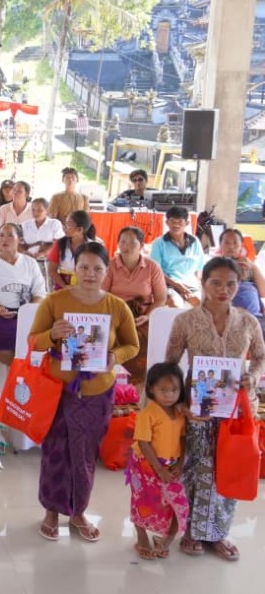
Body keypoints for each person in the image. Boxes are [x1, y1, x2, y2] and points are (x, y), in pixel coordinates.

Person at [30, 242, 139, 544]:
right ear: (73, 268)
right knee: (56, 452)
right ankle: (51, 511)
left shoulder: (117, 306)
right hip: (59, 390)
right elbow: (33, 341)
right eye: (84, 267)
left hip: (98, 391)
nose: (91, 274)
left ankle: (79, 511)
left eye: (98, 268)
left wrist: (114, 357)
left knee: (86, 454)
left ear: (107, 271)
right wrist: (52, 335)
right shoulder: (54, 301)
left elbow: (133, 345)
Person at [165, 257, 265, 560]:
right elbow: (170, 364)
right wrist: (179, 403)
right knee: (199, 469)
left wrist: (253, 376)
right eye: (216, 283)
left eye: (231, 284)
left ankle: (218, 533)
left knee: (227, 469)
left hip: (235, 410)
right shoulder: (185, 320)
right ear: (204, 284)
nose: (224, 290)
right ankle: (193, 531)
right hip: (199, 408)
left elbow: (261, 356)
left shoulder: (248, 321)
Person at [128, 362, 189, 561]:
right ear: (151, 389)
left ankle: (166, 539)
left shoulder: (180, 413)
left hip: (171, 465)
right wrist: (158, 469)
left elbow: (182, 438)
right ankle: (141, 536)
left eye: (174, 390)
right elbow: (144, 444)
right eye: (163, 390)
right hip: (146, 465)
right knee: (143, 501)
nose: (170, 395)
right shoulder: (147, 414)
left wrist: (179, 465)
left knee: (178, 504)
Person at [102, 226, 167, 385]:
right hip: (116, 315)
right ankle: (111, 384)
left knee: (142, 341)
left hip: (142, 316)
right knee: (107, 339)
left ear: (141, 246)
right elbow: (102, 295)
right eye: (123, 242)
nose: (127, 247)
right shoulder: (109, 266)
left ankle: (137, 386)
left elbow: (160, 298)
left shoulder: (152, 267)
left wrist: (147, 316)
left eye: (132, 243)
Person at [0, 224, 47, 365]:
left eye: (10, 235)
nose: (4, 239)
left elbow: (39, 291)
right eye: (1, 235)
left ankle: (25, 370)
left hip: (26, 315)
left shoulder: (30, 263)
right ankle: (18, 369)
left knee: (37, 339)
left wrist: (28, 312)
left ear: (20, 240)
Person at [150, 206, 205, 307]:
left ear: (186, 223)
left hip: (190, 285)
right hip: (168, 285)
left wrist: (197, 284)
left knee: (199, 304)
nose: (176, 225)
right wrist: (176, 285)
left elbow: (199, 268)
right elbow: (156, 271)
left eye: (180, 222)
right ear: (167, 223)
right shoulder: (159, 243)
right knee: (175, 304)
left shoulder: (195, 241)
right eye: (172, 222)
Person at [215, 229, 265, 330]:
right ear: (220, 245)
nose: (231, 246)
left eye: (235, 243)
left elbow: (263, 292)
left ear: (241, 245)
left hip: (255, 319)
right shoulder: (214, 266)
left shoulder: (249, 265)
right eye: (227, 243)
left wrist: (253, 267)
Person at [48, 210, 97, 290]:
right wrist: (65, 287)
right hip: (63, 287)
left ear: (80, 229)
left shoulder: (94, 247)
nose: (64, 227)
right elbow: (52, 271)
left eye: (68, 224)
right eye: (65, 223)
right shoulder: (60, 244)